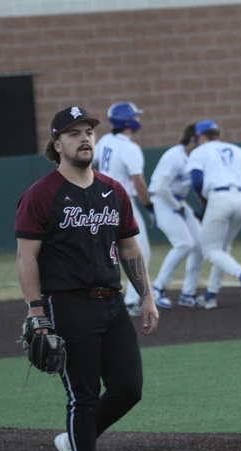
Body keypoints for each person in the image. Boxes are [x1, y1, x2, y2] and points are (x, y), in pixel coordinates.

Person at [15, 106, 159, 451]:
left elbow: (130, 245)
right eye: (74, 133)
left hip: (113, 304)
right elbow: (27, 258)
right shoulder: (41, 194)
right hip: (67, 305)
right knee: (83, 396)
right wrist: (35, 311)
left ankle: (73, 441)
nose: (84, 138)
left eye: (89, 132)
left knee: (129, 389)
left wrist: (146, 295)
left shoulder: (113, 189)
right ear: (57, 144)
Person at [185, 120, 241, 309]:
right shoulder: (239, 150)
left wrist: (203, 198)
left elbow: (196, 181)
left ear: (200, 136)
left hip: (219, 197)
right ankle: (210, 295)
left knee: (209, 250)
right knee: (222, 249)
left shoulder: (199, 152)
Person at [92, 101, 154, 312]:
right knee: (140, 251)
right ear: (127, 121)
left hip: (102, 201)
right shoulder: (130, 147)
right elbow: (139, 183)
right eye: (135, 117)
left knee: (107, 252)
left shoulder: (106, 140)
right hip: (123, 202)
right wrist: (149, 205)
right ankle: (130, 302)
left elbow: (91, 163)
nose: (138, 120)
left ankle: (101, 297)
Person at [147, 124, 205, 307]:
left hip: (177, 201)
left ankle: (188, 294)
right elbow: (162, 188)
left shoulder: (196, 157)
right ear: (193, 139)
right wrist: (177, 207)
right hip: (162, 199)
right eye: (202, 138)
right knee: (184, 243)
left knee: (200, 245)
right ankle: (157, 289)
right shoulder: (175, 155)